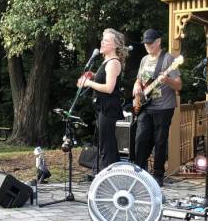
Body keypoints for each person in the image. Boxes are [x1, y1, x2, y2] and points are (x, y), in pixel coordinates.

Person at [133, 28, 182, 187]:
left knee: (160, 142)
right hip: (145, 106)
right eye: (146, 44)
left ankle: (158, 175)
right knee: (140, 139)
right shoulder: (144, 59)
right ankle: (139, 171)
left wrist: (167, 80)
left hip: (163, 107)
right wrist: (136, 86)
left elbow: (179, 85)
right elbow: (139, 79)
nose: (147, 46)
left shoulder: (168, 59)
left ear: (159, 41)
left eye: (151, 43)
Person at [77, 28, 128, 170]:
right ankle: (107, 174)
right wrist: (93, 75)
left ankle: (109, 175)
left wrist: (88, 83)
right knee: (104, 144)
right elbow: (104, 79)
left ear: (114, 45)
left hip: (108, 109)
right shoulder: (107, 61)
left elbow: (109, 88)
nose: (102, 42)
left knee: (108, 147)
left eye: (106, 40)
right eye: (102, 39)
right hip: (103, 108)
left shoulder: (113, 62)